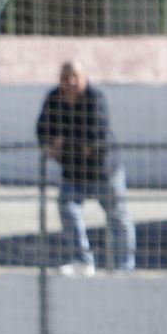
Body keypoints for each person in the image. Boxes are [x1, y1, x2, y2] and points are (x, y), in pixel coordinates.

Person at [35, 60, 137, 275]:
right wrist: (59, 143)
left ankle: (124, 268)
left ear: (84, 79)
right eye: (65, 78)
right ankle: (82, 260)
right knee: (67, 208)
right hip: (73, 171)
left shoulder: (95, 98)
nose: (70, 82)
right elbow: (42, 130)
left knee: (118, 217)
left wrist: (63, 142)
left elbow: (94, 137)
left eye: (75, 77)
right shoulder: (54, 99)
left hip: (104, 171)